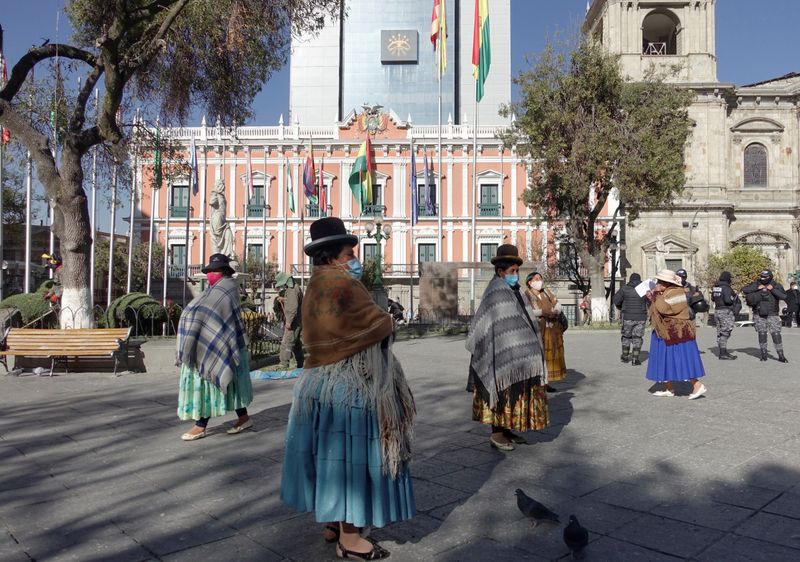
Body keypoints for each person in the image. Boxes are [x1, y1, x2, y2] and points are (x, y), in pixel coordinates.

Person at [280, 217, 415, 560]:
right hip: (347, 384)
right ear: (333, 255)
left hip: (315, 382)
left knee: (327, 456)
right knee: (348, 459)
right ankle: (350, 539)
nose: (354, 256)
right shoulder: (345, 285)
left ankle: (332, 522)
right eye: (349, 251)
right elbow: (376, 327)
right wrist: (390, 319)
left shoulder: (313, 285)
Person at [466, 245, 549, 452]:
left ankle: (507, 428)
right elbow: (495, 325)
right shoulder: (496, 291)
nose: (515, 275)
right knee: (501, 388)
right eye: (512, 271)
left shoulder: (517, 290)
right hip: (498, 355)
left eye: (517, 271)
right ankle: (496, 433)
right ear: (500, 271)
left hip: (517, 355)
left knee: (513, 392)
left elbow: (523, 319)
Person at [176, 253, 253, 441]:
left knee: (209, 380)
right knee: (230, 384)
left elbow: (213, 312)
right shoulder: (213, 289)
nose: (211, 274)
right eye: (210, 271)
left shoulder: (226, 288)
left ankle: (201, 425)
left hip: (220, 344)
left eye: (215, 270)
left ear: (225, 272)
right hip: (220, 343)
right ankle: (243, 418)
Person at [645, 269, 707, 399]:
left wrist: (656, 295)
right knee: (664, 358)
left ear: (667, 283)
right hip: (664, 331)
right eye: (658, 281)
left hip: (677, 332)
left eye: (661, 281)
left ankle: (697, 385)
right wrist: (652, 298)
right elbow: (655, 310)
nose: (658, 283)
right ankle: (669, 388)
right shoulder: (665, 292)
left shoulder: (676, 292)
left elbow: (664, 309)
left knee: (682, 358)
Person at [525, 272, 566, 392]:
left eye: (540, 278)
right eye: (536, 279)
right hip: (538, 330)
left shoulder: (546, 292)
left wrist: (556, 311)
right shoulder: (527, 294)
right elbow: (528, 311)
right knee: (539, 357)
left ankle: (546, 383)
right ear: (530, 282)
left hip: (553, 330)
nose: (540, 281)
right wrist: (543, 312)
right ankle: (538, 383)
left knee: (550, 357)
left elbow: (557, 302)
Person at [742, 269, 788, 363]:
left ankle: (781, 355)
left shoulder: (776, 285)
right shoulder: (756, 284)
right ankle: (763, 354)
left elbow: (784, 296)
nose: (763, 278)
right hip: (759, 314)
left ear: (770, 277)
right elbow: (745, 289)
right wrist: (758, 287)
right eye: (762, 276)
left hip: (773, 314)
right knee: (762, 333)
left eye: (765, 277)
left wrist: (772, 289)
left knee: (776, 334)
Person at [612, 273, 648, 365]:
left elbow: (616, 300)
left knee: (626, 336)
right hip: (641, 317)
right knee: (638, 337)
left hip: (627, 316)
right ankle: (635, 359)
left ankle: (625, 356)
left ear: (630, 280)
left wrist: (621, 308)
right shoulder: (644, 289)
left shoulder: (624, 288)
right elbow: (650, 301)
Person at [275, 272, 304, 370]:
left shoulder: (292, 290)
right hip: (298, 321)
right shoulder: (295, 287)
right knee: (296, 344)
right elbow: (293, 301)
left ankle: (283, 364)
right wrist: (284, 299)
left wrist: (289, 321)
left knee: (287, 343)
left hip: (294, 322)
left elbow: (293, 307)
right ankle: (300, 364)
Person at [711, 271, 738, 360]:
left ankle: (723, 351)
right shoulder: (726, 288)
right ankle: (722, 353)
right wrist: (734, 297)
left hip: (717, 311)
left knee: (720, 332)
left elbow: (713, 298)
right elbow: (728, 300)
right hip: (725, 311)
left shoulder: (716, 287)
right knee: (726, 331)